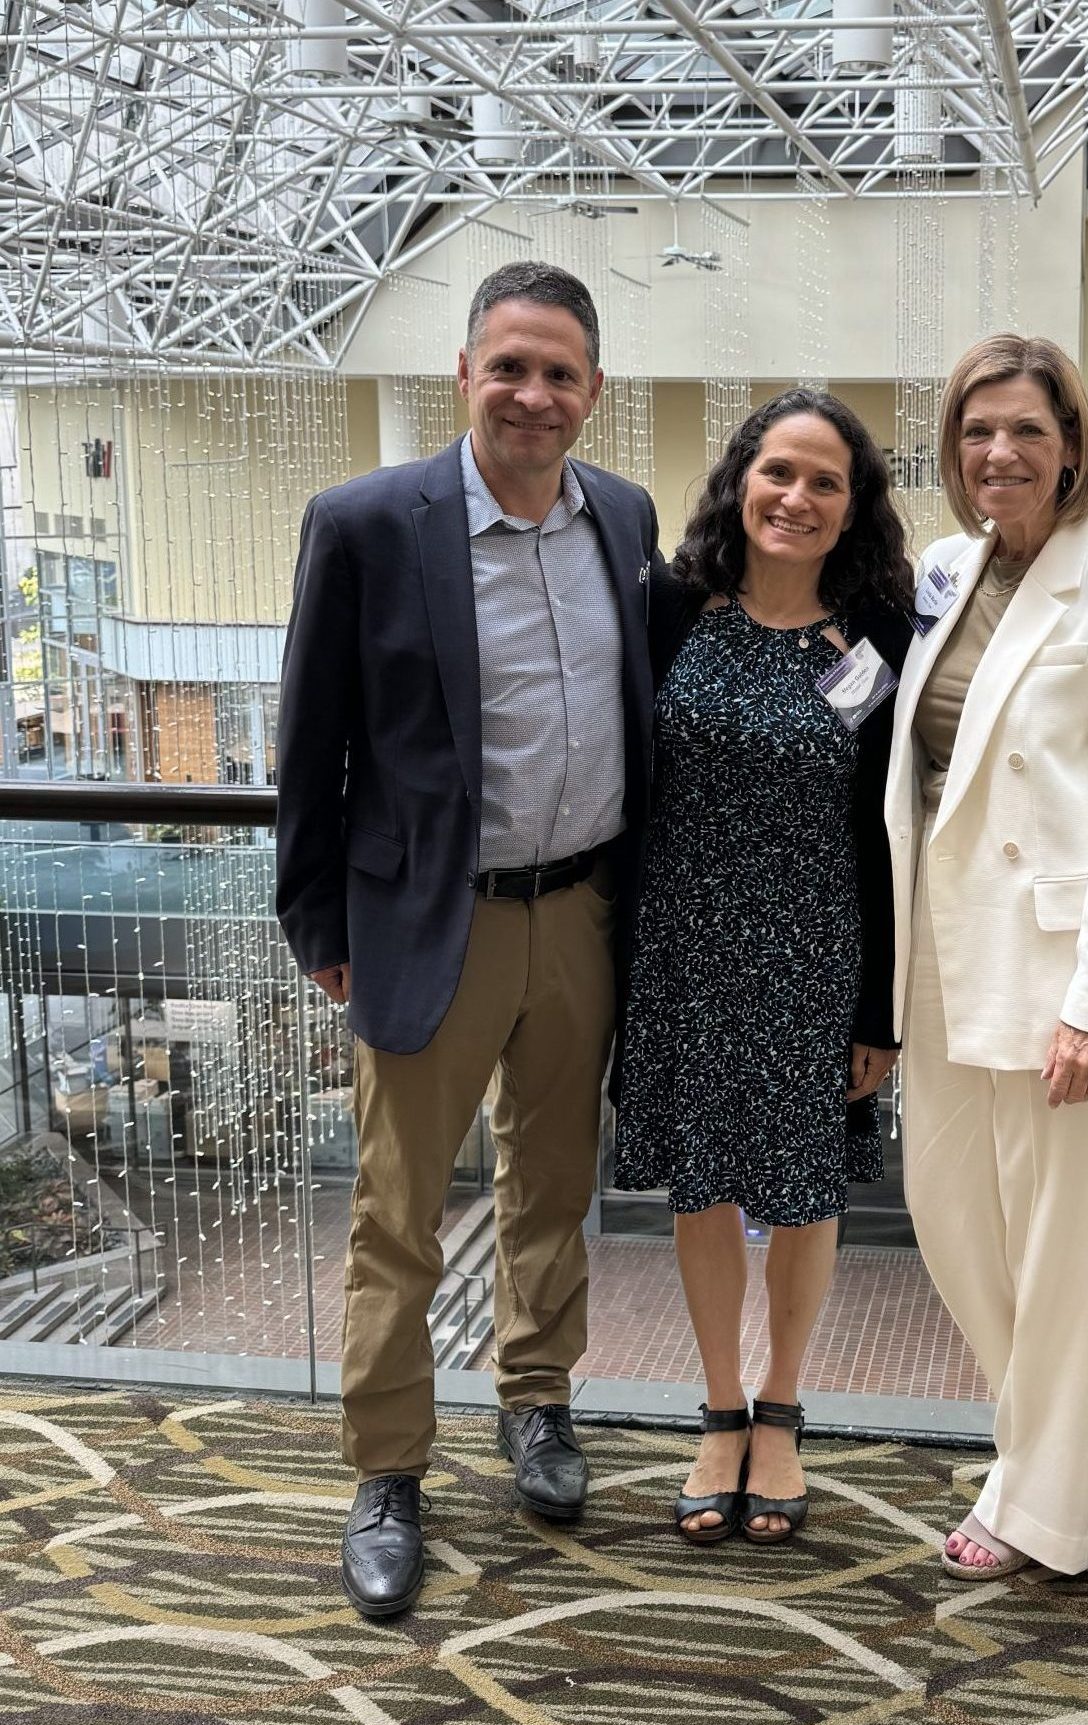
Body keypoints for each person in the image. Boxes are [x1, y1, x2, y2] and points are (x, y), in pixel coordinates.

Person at [275, 261, 668, 1618]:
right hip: (428, 922)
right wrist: (319, 920)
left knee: (554, 1188)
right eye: (510, 366)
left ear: (595, 392)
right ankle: (388, 1469)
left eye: (561, 372)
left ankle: (538, 1403)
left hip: (582, 917)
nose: (534, 394)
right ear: (463, 372)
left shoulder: (625, 516)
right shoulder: (369, 522)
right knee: (398, 1217)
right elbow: (309, 744)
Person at [887, 334, 1088, 1583]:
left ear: (1071, 443)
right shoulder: (941, 568)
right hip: (938, 944)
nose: (1000, 453)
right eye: (978, 430)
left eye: (1027, 429)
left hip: (1055, 960)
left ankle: (1041, 1503)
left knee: (1060, 1250)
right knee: (954, 1228)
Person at [614, 390, 912, 1546]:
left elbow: (890, 833)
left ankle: (782, 1409)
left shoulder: (882, 632)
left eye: (824, 482)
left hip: (816, 949)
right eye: (778, 471)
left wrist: (878, 1002)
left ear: (852, 510)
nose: (796, 497)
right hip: (682, 947)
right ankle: (720, 1409)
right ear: (743, 479)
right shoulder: (669, 606)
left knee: (801, 1189)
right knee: (704, 1183)